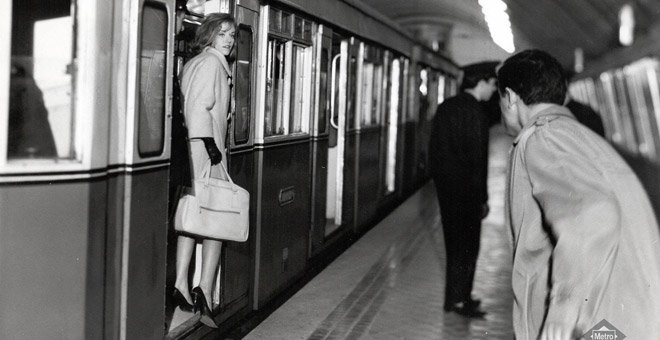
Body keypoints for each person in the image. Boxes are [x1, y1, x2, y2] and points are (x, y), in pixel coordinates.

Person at [498, 49, 660, 339]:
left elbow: (593, 212)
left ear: (510, 97)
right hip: (619, 314)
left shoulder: (544, 138)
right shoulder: (578, 136)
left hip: (594, 323)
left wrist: (564, 307)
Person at [173, 12, 236, 329]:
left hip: (195, 150)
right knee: (218, 221)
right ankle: (204, 290)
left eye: (232, 35)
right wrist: (212, 150)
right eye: (223, 33)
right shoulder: (212, 64)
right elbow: (199, 107)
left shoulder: (195, 62)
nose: (228, 40)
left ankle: (182, 283)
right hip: (207, 152)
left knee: (193, 219)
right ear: (210, 34)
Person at [428, 62, 498, 318]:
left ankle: (453, 298)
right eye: (492, 84)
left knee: (453, 245)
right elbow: (478, 161)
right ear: (481, 83)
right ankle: (461, 300)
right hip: (468, 194)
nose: (494, 90)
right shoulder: (477, 114)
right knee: (469, 248)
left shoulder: (446, 107)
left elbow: (434, 152)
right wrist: (483, 198)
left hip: (448, 193)